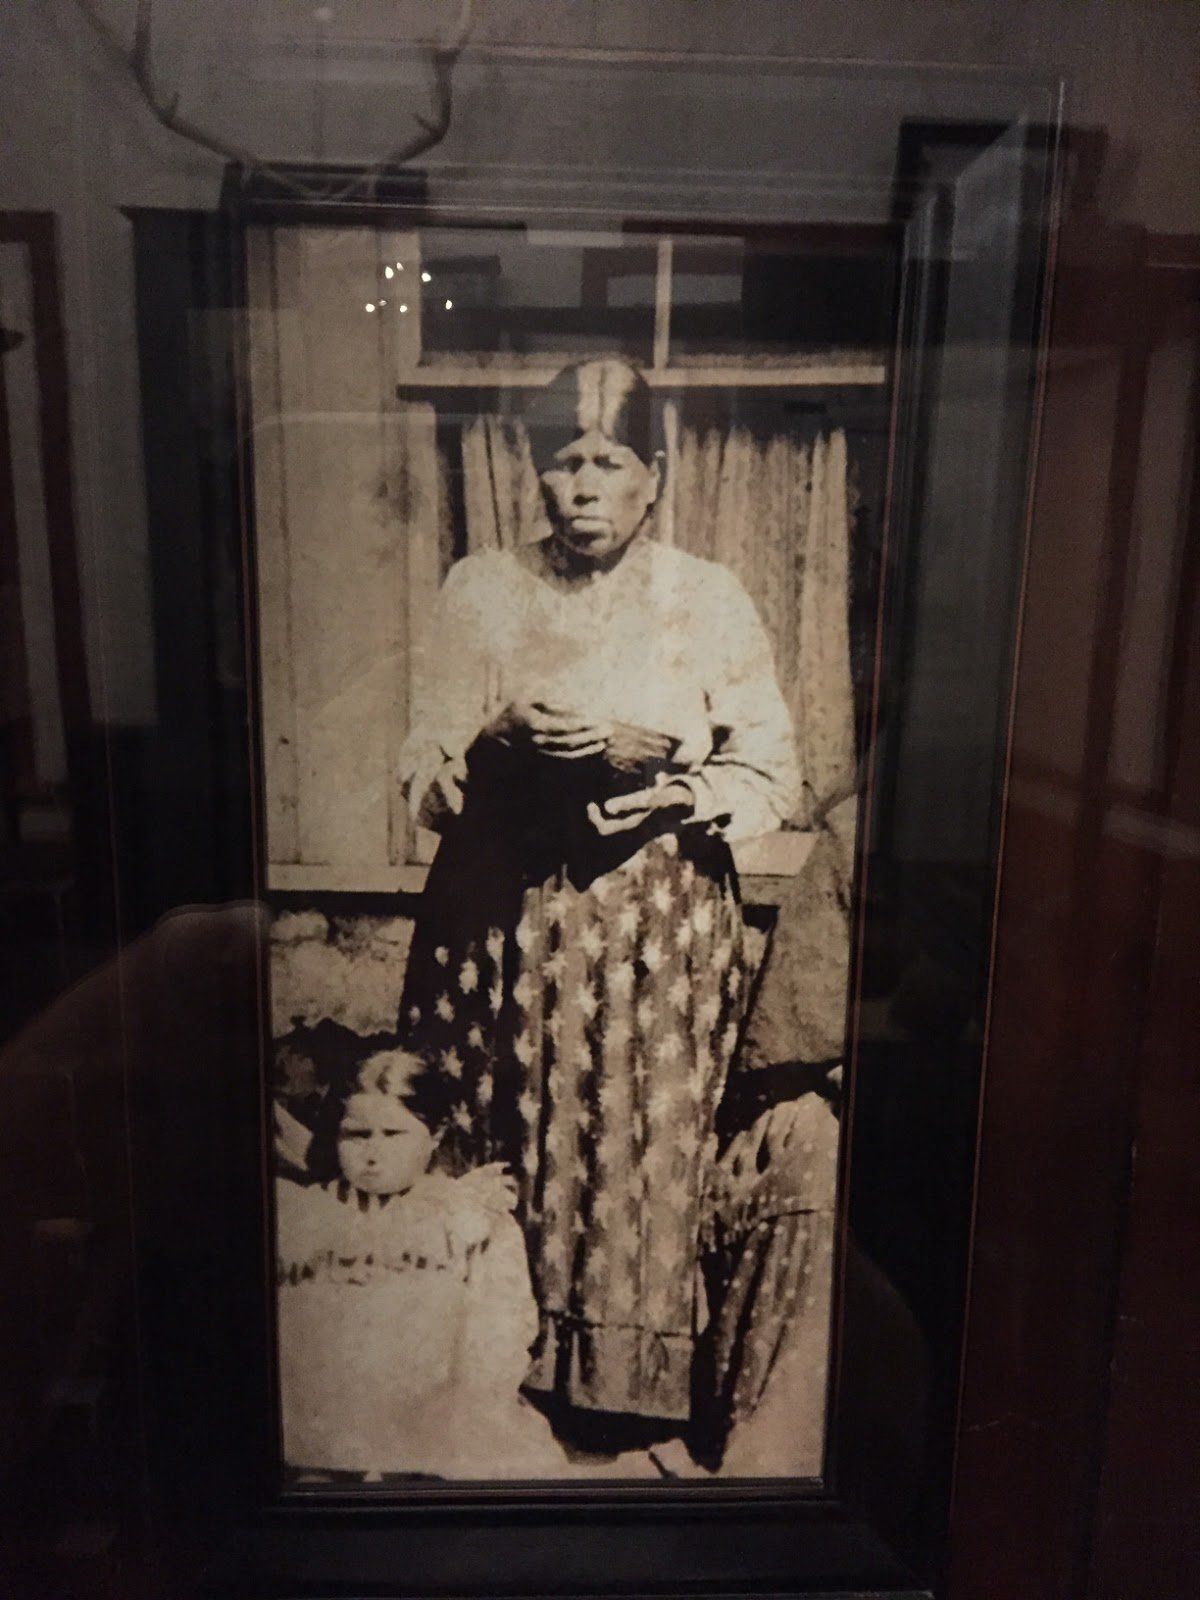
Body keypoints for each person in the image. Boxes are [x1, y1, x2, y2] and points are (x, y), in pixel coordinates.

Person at [397, 357, 801, 1441]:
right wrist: (494, 733)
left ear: (653, 475)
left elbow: (774, 775)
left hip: (656, 928)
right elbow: (417, 767)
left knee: (640, 1153)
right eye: (562, 462)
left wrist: (670, 779)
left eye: (608, 462)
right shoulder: (480, 586)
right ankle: (491, 1395)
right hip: (501, 920)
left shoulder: (708, 595)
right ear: (532, 473)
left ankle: (627, 1410)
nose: (582, 487)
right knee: (504, 1137)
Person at [275, 1048, 569, 1478]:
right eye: (356, 1135)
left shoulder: (469, 1219)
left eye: (393, 1134)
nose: (372, 1154)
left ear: (434, 1135)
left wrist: (470, 1408)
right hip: (326, 1417)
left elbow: (500, 1332)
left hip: (438, 1415)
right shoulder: (309, 1220)